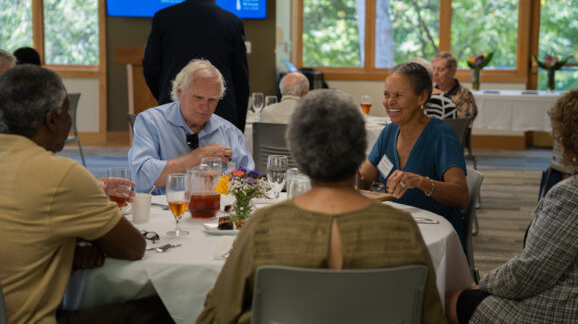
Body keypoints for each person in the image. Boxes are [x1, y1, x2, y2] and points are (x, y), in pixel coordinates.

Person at [196, 89, 447, 324]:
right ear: (361, 152)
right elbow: (431, 316)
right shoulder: (403, 229)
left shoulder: (262, 227)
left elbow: (217, 316)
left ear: (298, 153)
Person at [447, 86, 578, 324]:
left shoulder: (575, 195)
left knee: (454, 300)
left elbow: (529, 274)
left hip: (565, 312)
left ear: (572, 137)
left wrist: (482, 283)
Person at [0, 66, 173, 323]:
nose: (70, 120)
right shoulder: (60, 174)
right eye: (67, 111)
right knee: (166, 307)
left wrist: (69, 244)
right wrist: (81, 244)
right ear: (52, 120)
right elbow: (133, 247)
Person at [359, 62, 469, 245]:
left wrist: (421, 182)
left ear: (422, 97)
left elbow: (461, 196)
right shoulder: (388, 133)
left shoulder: (441, 135)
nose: (389, 102)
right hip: (395, 230)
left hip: (435, 236)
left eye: (398, 96)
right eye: (386, 95)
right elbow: (363, 181)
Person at [142, 0, 250, 131]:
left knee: (174, 157)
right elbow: (241, 79)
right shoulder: (232, 23)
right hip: (220, 114)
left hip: (174, 110)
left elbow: (150, 67)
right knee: (217, 156)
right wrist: (238, 126)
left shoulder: (163, 18)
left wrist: (171, 95)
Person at [129, 59, 254, 193]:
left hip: (216, 210)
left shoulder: (230, 132)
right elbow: (141, 178)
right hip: (165, 210)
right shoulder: (151, 122)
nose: (205, 107)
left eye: (212, 100)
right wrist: (199, 156)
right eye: (198, 98)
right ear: (179, 92)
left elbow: (250, 182)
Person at [432, 52, 478, 120]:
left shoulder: (465, 95)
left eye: (440, 69)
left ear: (453, 71)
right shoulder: (429, 93)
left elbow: (461, 125)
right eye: (433, 69)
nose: (435, 74)